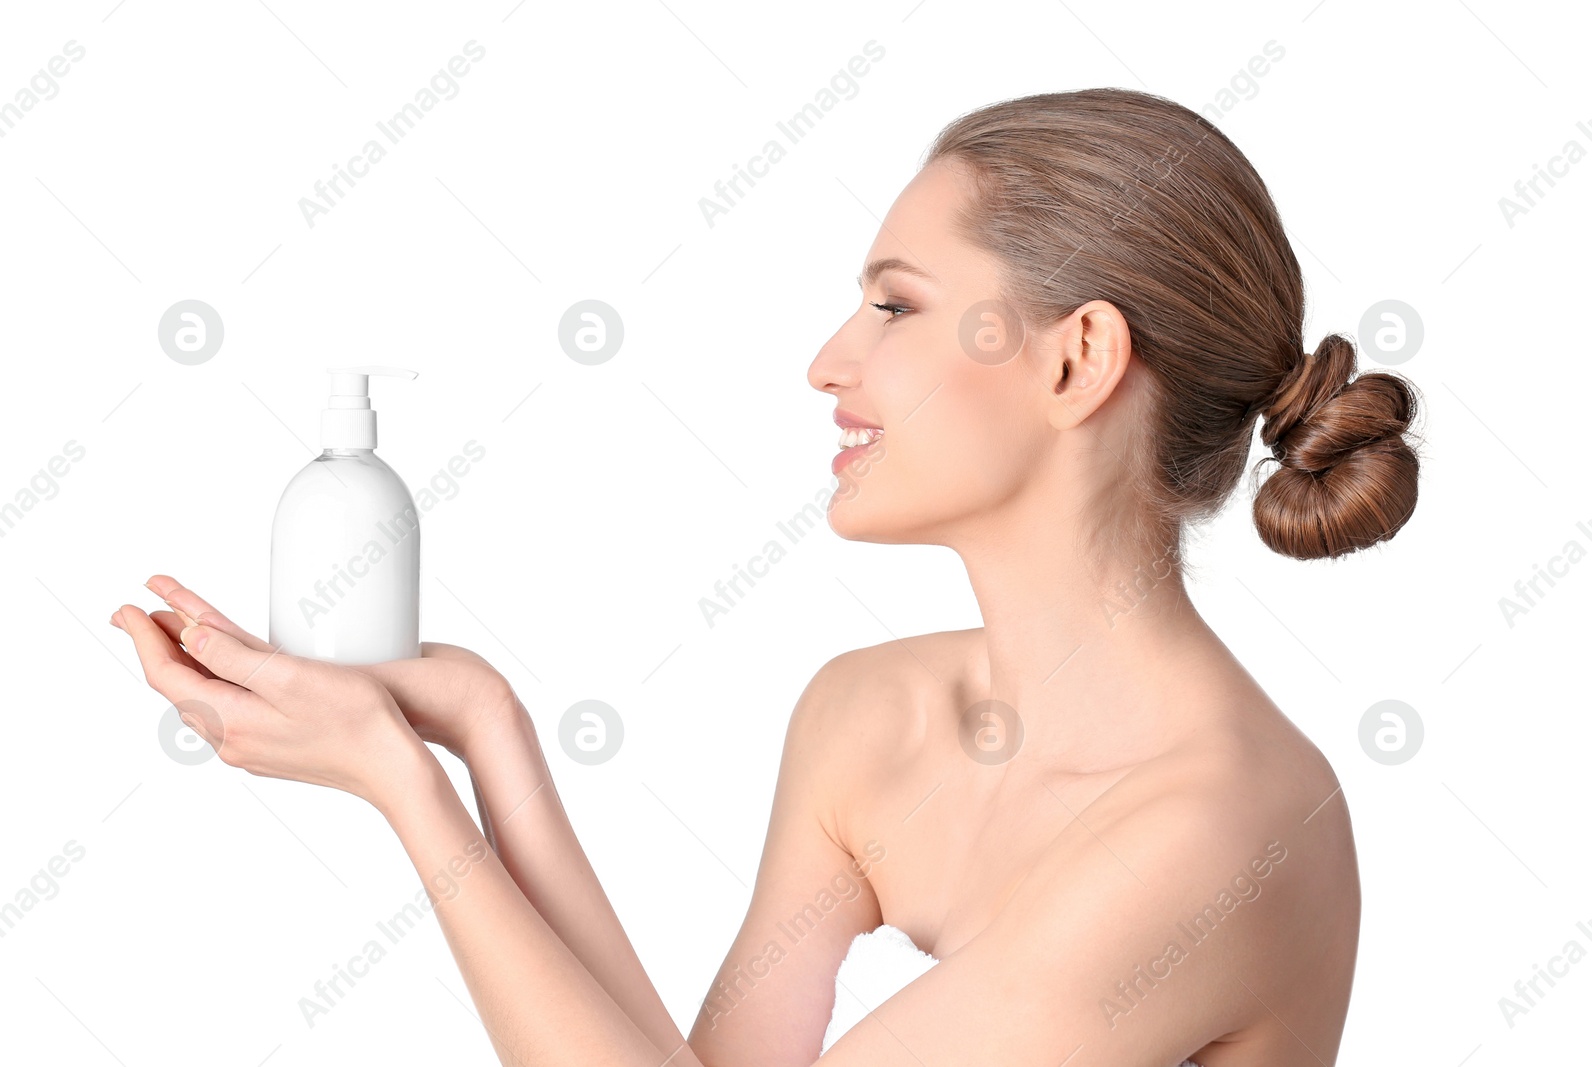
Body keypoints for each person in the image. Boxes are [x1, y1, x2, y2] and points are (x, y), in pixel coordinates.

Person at [112, 87, 1420, 1065]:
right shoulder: (874, 718)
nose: (828, 361)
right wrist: (483, 741)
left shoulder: (1224, 834)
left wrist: (404, 792)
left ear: (1077, 361)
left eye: (895, 307)